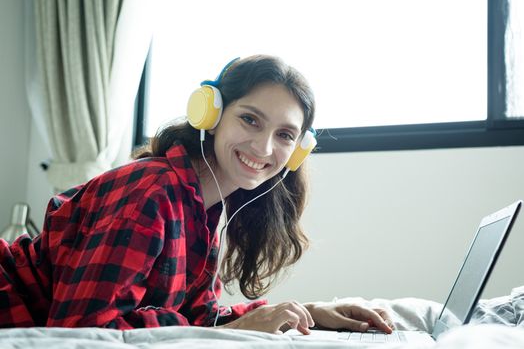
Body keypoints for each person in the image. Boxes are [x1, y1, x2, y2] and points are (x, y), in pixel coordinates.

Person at [0, 55, 393, 334]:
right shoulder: (152, 192)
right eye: (250, 119)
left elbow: (194, 317)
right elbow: (82, 330)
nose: (263, 147)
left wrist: (308, 312)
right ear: (212, 114)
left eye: (285, 135)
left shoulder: (207, 207)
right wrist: (236, 329)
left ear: (298, 150)